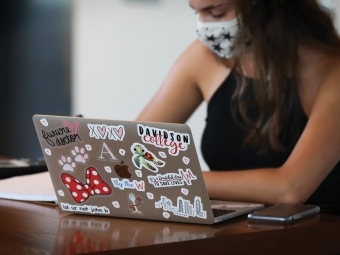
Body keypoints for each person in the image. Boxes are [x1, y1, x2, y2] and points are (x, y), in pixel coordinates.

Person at [137, 0, 340, 208]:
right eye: (196, 14)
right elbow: (131, 148)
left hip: (313, 236)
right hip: (228, 234)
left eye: (217, 13)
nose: (204, 26)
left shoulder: (332, 73)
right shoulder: (205, 56)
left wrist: (170, 180)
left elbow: (289, 189)